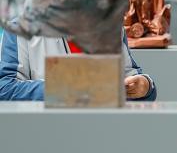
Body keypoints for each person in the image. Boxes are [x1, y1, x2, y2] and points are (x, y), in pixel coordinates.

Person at [0, 30, 157, 101]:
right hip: (43, 134)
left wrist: (145, 86)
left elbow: (129, 75)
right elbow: (5, 88)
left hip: (102, 135)